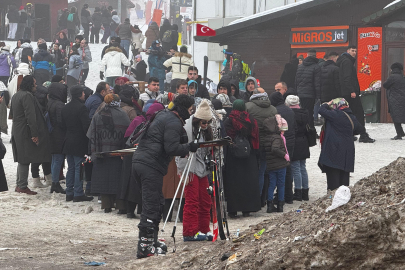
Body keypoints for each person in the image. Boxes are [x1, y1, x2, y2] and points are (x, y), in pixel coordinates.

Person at [133, 94, 196, 258]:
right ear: (183, 109)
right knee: (151, 205)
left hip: (143, 163)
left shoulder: (164, 115)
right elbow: (171, 148)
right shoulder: (173, 121)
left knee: (157, 202)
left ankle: (152, 241)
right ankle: (145, 247)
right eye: (190, 110)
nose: (191, 114)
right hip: (149, 165)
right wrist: (189, 147)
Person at [176, 99, 213, 241]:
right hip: (189, 167)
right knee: (192, 200)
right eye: (203, 122)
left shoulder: (207, 130)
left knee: (205, 200)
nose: (206, 125)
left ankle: (203, 229)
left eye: (208, 122)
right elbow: (181, 149)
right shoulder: (187, 128)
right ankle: (190, 232)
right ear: (197, 119)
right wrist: (183, 168)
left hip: (202, 167)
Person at [87, 94, 130, 212]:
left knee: (104, 179)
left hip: (102, 153)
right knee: (118, 180)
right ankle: (120, 206)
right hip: (118, 153)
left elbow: (91, 134)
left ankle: (106, 205)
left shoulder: (98, 115)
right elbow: (127, 134)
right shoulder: (123, 114)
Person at [11, 75, 51, 195]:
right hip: (25, 130)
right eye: (34, 83)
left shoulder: (16, 95)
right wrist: (34, 134)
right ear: (30, 84)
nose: (36, 86)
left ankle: (19, 184)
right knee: (25, 158)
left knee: (22, 157)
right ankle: (22, 186)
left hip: (18, 129)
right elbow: (31, 116)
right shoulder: (27, 96)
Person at [224, 99, 261, 218]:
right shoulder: (251, 119)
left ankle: (233, 209)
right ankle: (247, 208)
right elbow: (255, 135)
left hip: (233, 154)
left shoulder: (229, 119)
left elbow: (227, 136)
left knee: (233, 183)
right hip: (248, 154)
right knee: (248, 181)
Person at [318, 98, 364, 191]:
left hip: (333, 150)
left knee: (333, 178)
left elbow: (321, 110)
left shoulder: (336, 115)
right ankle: (344, 197)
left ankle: (333, 198)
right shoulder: (352, 116)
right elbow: (360, 129)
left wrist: (327, 103)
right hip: (347, 150)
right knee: (344, 178)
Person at [336, 45, 375, 143]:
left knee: (348, 113)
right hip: (350, 92)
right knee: (359, 113)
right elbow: (347, 78)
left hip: (345, 92)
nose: (354, 53)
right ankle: (363, 135)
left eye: (355, 51)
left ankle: (349, 133)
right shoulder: (347, 62)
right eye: (352, 51)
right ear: (348, 51)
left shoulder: (343, 61)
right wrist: (352, 91)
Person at [61, 85, 93, 202]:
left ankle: (69, 192)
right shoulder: (82, 108)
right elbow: (86, 126)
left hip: (68, 140)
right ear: (80, 94)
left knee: (71, 168)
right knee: (79, 168)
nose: (85, 95)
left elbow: (63, 125)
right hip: (79, 141)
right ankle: (78, 193)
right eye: (83, 93)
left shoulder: (65, 107)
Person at [245, 90, 277, 204]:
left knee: (251, 171)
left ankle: (250, 198)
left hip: (252, 144)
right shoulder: (273, 109)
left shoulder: (248, 106)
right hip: (268, 144)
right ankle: (259, 198)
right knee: (262, 172)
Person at [269, 91, 296, 204]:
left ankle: (282, 196)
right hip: (291, 141)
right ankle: (289, 195)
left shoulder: (276, 111)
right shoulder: (290, 110)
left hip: (282, 141)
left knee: (281, 169)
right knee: (289, 169)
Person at [285, 95, 310, 201]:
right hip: (304, 141)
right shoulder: (305, 112)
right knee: (303, 167)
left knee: (295, 168)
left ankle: (298, 192)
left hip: (294, 142)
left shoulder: (290, 114)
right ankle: (305, 192)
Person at [263, 114, 290, 213]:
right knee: (281, 184)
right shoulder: (277, 138)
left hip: (271, 165)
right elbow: (275, 149)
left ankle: (269, 205)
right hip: (280, 164)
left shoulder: (266, 137)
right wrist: (285, 155)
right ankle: (280, 205)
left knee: (272, 184)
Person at [47, 82, 67, 194]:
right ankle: (55, 183)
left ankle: (54, 181)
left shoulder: (50, 102)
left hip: (52, 134)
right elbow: (61, 121)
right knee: (58, 159)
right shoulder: (59, 104)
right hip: (59, 135)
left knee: (55, 159)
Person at [295, 49, 321, 129]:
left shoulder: (300, 66)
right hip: (310, 94)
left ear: (307, 55)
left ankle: (303, 128)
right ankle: (310, 130)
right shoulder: (316, 67)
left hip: (301, 93)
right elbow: (317, 83)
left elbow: (296, 81)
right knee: (309, 113)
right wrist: (318, 96)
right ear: (315, 56)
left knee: (303, 112)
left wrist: (298, 91)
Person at [383, 63, 405, 140]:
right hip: (403, 99)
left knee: (395, 117)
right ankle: (401, 133)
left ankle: (399, 134)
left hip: (395, 100)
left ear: (392, 69)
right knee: (402, 115)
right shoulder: (402, 77)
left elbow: (385, 85)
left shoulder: (392, 77)